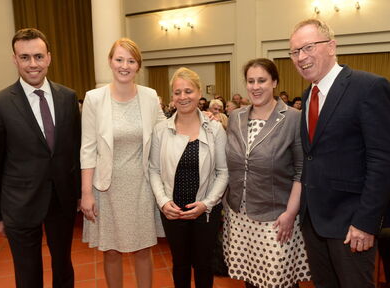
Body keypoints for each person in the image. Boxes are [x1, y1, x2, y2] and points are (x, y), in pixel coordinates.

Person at [289, 18, 390, 288]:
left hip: (351, 225)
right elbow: (312, 157)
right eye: (295, 52)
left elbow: (382, 161)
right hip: (314, 223)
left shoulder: (368, 87)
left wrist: (366, 223)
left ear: (331, 46)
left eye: (308, 47)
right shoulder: (309, 94)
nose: (301, 57)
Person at [0, 28, 81, 288]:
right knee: (28, 274)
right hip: (19, 204)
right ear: (15, 59)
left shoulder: (67, 97)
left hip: (61, 200)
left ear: (49, 58)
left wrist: (76, 194)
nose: (33, 64)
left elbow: (73, 149)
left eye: (38, 56)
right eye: (25, 57)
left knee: (63, 266)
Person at [80, 37, 166, 288]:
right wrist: (87, 193)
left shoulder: (150, 97)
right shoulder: (94, 99)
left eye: (131, 61)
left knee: (143, 249)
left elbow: (164, 132)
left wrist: (196, 119)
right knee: (112, 250)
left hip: (141, 185)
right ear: (110, 62)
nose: (124, 66)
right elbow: (88, 148)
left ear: (138, 66)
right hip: (106, 187)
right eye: (119, 59)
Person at [223, 58, 310, 288]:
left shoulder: (292, 117)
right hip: (240, 214)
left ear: (274, 82)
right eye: (250, 81)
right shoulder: (236, 117)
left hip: (277, 216)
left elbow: (301, 170)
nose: (255, 86)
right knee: (251, 277)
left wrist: (290, 213)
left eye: (262, 80)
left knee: (278, 279)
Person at [149, 67, 228, 288]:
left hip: (205, 211)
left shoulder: (215, 129)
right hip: (173, 211)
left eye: (188, 91)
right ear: (172, 96)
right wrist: (164, 202)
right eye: (177, 92)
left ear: (199, 92)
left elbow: (223, 172)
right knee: (180, 264)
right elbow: (153, 170)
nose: (183, 97)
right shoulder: (161, 130)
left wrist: (206, 203)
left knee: (204, 265)